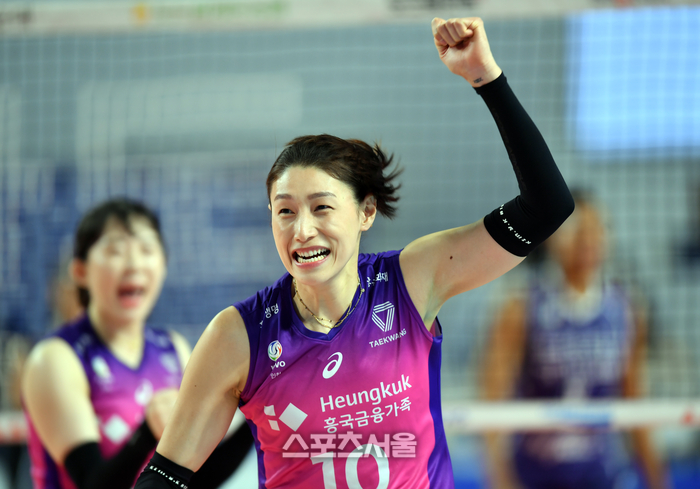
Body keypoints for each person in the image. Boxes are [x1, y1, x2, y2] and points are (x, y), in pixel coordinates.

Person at [133, 17, 575, 489]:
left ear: (366, 212)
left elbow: (547, 207)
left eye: (322, 207)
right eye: (285, 212)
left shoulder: (411, 281)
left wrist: (485, 77)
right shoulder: (239, 335)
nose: (302, 230)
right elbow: (165, 477)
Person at [21, 198, 253, 489]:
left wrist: (256, 410)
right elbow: (92, 484)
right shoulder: (55, 358)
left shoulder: (172, 348)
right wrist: (147, 433)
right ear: (80, 271)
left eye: (146, 250)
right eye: (115, 251)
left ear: (163, 266)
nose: (134, 265)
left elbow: (194, 478)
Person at [481, 190, 669, 489]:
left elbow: (635, 400)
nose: (587, 239)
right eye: (578, 229)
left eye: (596, 228)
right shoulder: (521, 305)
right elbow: (492, 400)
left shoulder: (625, 308)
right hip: (534, 475)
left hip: (601, 475)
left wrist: (657, 478)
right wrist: (501, 480)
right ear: (553, 238)